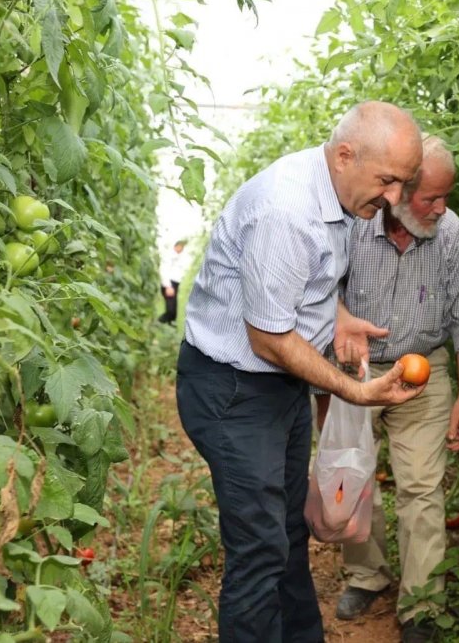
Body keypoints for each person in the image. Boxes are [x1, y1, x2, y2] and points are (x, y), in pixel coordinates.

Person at [176, 101, 428, 643]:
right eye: (387, 181)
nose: (392, 198)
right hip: (234, 390)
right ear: (344, 155)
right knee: (259, 548)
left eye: (402, 184)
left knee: (286, 532)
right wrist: (354, 392)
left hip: (276, 389)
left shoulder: (338, 199)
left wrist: (336, 318)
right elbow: (268, 336)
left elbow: (301, 286)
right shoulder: (286, 209)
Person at [317, 135, 459, 643]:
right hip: (356, 368)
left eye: (446, 196)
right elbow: (320, 297)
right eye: (430, 198)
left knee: (421, 486)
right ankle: (366, 574)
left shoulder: (453, 237)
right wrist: (330, 388)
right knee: (351, 474)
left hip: (424, 374)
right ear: (396, 191)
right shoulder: (351, 228)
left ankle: (421, 604)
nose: (441, 208)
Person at [158, 239, 189, 324]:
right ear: (176, 246)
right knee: (171, 307)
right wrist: (168, 286)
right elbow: (164, 269)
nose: (182, 249)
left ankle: (171, 322)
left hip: (175, 282)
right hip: (169, 283)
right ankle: (159, 321)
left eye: (183, 247)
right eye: (181, 247)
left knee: (173, 305)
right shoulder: (169, 255)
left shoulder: (179, 256)